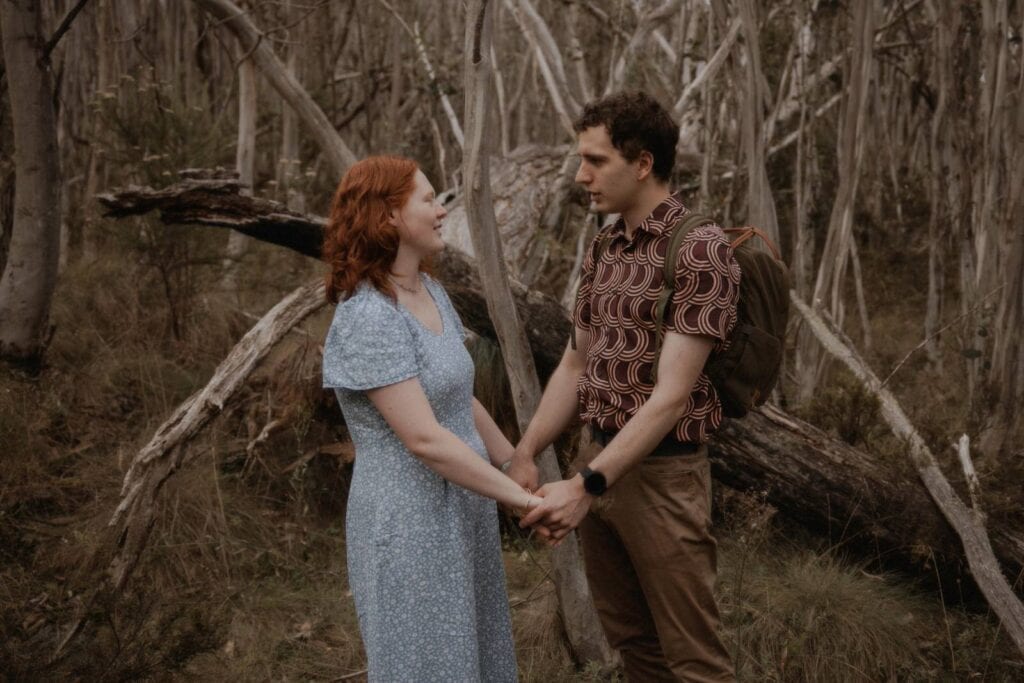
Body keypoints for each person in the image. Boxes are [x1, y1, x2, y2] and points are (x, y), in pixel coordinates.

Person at [513, 92, 739, 682]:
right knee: (635, 646)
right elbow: (574, 364)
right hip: (596, 455)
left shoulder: (700, 249)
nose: (581, 175)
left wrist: (585, 486)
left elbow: (671, 397)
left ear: (642, 163)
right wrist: (526, 451)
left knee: (695, 661)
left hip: (663, 477)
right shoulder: (604, 245)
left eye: (596, 160)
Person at [321, 155, 537, 682]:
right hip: (409, 517)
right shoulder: (368, 316)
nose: (442, 211)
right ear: (389, 215)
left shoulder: (429, 290)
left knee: (472, 653)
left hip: (463, 505)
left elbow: (459, 396)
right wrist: (523, 501)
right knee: (427, 663)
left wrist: (512, 460)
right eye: (429, 199)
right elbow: (423, 438)